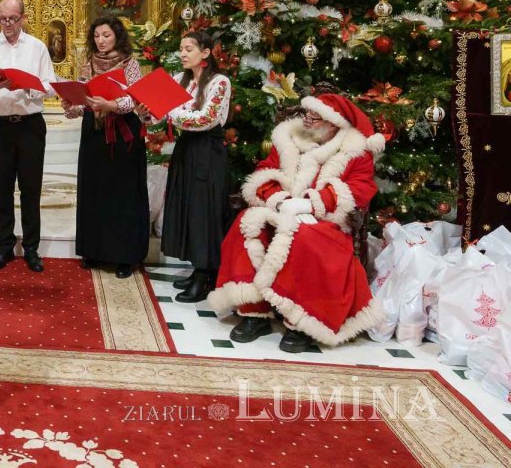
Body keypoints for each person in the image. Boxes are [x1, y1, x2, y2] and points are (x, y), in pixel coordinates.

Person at [209, 94, 386, 353]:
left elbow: (359, 189)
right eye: (306, 115)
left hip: (327, 220)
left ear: (332, 124)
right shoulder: (288, 138)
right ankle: (254, 310)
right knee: (248, 222)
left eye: (313, 118)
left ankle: (301, 321)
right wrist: (279, 201)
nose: (306, 121)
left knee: (305, 237)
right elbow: (264, 171)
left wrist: (311, 205)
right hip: (282, 208)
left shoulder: (354, 151)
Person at [0, 0, 57, 272]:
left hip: (30, 125)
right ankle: (5, 247)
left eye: (12, 19)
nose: (7, 24)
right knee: (2, 189)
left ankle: (31, 248)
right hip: (0, 126)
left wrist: (31, 87)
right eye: (2, 19)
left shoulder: (37, 47)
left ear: (23, 18)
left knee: (31, 190)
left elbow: (52, 83)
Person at [62, 17, 148, 278]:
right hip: (94, 132)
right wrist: (71, 106)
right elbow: (80, 102)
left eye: (106, 35)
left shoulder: (130, 64)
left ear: (117, 37)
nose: (101, 41)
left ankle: (125, 256)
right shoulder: (87, 63)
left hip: (124, 134)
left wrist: (111, 105)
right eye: (97, 36)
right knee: (94, 189)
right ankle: (93, 250)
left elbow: (135, 98)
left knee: (123, 193)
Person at [158, 30, 232, 303]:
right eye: (181, 48)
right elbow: (160, 113)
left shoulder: (219, 82)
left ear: (205, 52)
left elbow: (206, 118)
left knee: (205, 209)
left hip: (208, 151)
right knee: (188, 205)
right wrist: (149, 108)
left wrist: (171, 111)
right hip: (186, 148)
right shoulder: (180, 80)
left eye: (189, 48)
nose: (182, 53)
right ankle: (196, 268)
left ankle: (206, 274)